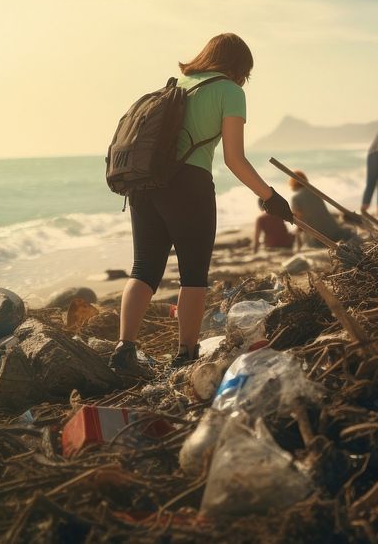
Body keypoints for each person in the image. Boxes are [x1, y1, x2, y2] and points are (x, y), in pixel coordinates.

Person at [109, 33, 294, 377]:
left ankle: (124, 348)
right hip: (188, 185)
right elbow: (234, 159)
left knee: (144, 268)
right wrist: (269, 196)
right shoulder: (229, 91)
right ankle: (186, 354)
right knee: (193, 273)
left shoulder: (177, 83)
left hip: (144, 183)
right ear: (239, 68)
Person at [289, 170, 352, 246]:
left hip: (318, 239)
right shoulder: (316, 193)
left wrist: (296, 235)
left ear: (293, 183)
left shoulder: (295, 198)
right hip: (334, 232)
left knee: (300, 238)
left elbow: (299, 223)